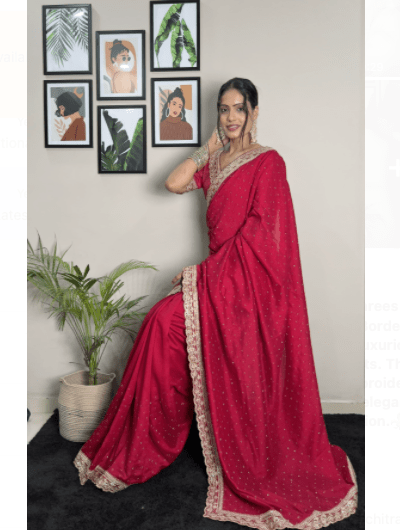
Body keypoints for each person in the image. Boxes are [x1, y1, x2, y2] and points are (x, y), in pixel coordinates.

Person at [74, 77, 358, 530]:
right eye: (224, 109)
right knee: (158, 325)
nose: (230, 117)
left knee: (165, 320)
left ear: (255, 112)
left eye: (239, 109)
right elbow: (173, 183)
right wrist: (206, 149)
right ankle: (145, 443)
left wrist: (202, 275)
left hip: (247, 288)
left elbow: (262, 238)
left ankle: (162, 441)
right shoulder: (217, 162)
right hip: (218, 281)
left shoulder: (268, 162)